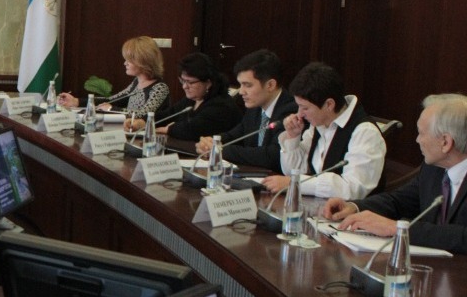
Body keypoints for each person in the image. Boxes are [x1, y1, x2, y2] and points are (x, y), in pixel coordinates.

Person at [324, 94, 467, 253]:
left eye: (421, 133)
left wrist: (397, 228)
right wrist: (355, 206)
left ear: (445, 142)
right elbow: (399, 201)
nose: (417, 140)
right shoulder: (434, 168)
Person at [260, 62, 385, 199]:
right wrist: (293, 137)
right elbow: (294, 172)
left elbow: (353, 188)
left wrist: (295, 183)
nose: (299, 114)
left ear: (329, 104)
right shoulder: (318, 124)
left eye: (305, 108)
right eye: (299, 106)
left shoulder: (365, 132)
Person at [196, 49, 296, 171]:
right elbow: (234, 135)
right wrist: (211, 142)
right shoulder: (255, 108)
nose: (241, 92)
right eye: (240, 85)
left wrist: (219, 150)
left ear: (270, 85)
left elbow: (272, 156)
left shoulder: (291, 110)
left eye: (247, 85)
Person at [136, 52, 242, 141]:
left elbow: (194, 129)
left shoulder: (222, 105)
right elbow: (169, 114)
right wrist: (143, 122)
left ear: (208, 83)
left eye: (190, 82)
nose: (184, 86)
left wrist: (169, 129)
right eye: (182, 81)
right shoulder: (192, 99)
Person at [58, 36, 169, 114]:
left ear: (143, 61)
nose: (125, 63)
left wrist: (111, 109)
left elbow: (144, 114)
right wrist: (76, 101)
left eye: (129, 60)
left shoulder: (160, 88)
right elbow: (111, 100)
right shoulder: (137, 82)